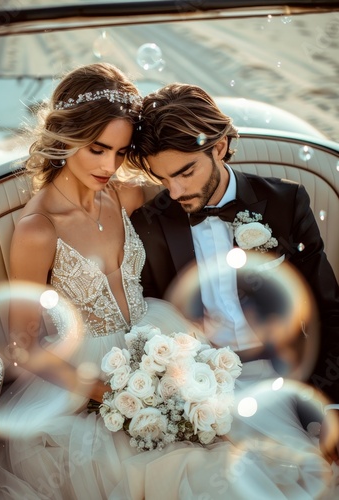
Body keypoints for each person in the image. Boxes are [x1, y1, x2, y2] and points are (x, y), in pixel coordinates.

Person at [0, 64, 335, 500]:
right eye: (97, 149)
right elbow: (26, 344)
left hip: (160, 341)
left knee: (248, 454)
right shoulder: (38, 230)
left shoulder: (123, 194)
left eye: (118, 152)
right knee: (200, 472)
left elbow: (198, 181)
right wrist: (107, 391)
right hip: (89, 377)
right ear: (66, 136)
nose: (109, 165)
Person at [128, 82, 339, 486]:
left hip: (285, 376)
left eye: (185, 172)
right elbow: (148, 318)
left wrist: (331, 405)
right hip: (203, 387)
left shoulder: (285, 203)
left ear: (220, 147)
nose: (175, 192)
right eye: (161, 177)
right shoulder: (150, 222)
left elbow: (329, 309)